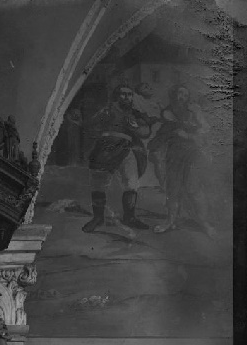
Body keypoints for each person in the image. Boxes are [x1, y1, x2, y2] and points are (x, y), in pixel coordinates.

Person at [82, 84, 151, 233]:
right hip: (105, 150)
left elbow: (146, 132)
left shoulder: (135, 113)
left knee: (131, 183)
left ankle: (129, 217)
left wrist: (135, 128)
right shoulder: (107, 110)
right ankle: (98, 218)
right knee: (99, 184)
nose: (127, 97)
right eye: (123, 94)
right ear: (116, 96)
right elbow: (89, 126)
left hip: (126, 149)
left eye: (130, 94)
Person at [151, 85, 214, 236]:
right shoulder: (167, 112)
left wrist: (189, 135)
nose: (182, 97)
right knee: (172, 189)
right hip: (174, 154)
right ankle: (170, 220)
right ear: (173, 95)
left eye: (185, 94)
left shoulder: (194, 110)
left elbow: (206, 129)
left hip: (192, 154)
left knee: (194, 188)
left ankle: (204, 223)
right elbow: (164, 133)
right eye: (179, 93)